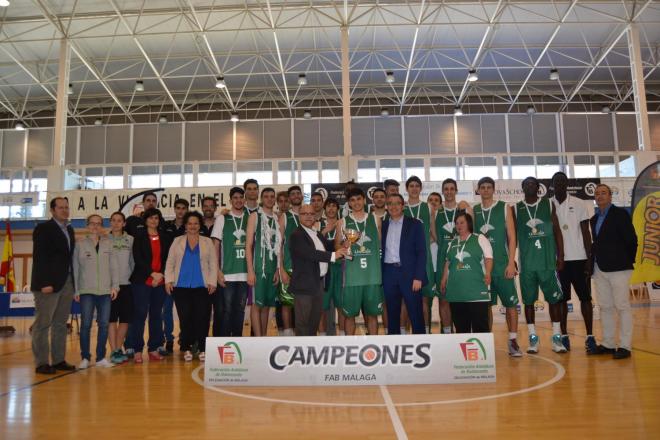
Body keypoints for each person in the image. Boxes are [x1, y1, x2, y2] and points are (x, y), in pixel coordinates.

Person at [514, 177, 566, 354]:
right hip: (527, 265)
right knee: (528, 303)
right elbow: (511, 237)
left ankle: (557, 339)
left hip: (547, 263)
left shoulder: (548, 204)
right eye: (526, 184)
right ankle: (533, 339)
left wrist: (561, 255)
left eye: (533, 184)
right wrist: (510, 258)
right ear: (522, 188)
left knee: (555, 301)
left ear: (538, 188)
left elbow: (557, 230)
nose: (530, 186)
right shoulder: (516, 209)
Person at [473, 177, 522, 357]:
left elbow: (512, 237)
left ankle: (513, 341)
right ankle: (486, 342)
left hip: (503, 266)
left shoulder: (504, 207)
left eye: (488, 187)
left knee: (511, 304)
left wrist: (511, 262)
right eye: (482, 187)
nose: (485, 190)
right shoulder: (475, 210)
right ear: (478, 190)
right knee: (485, 307)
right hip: (484, 269)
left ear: (493, 190)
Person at [590, 184, 638, 359]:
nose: (600, 196)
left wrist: (626, 261)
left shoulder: (620, 215)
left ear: (610, 196)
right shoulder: (594, 219)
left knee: (622, 306)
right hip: (599, 268)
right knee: (605, 307)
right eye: (597, 193)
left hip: (619, 269)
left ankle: (625, 346)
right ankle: (609, 344)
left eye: (603, 193)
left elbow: (632, 241)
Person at [551, 172, 597, 353]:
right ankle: (564, 336)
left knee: (585, 298)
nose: (560, 184)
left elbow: (586, 233)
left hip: (579, 259)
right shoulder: (548, 204)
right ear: (553, 185)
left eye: (563, 181)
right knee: (562, 300)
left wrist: (589, 258)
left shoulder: (579, 203)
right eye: (557, 182)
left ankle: (590, 337)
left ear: (567, 183)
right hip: (559, 262)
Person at [31, 197, 77, 374]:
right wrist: (45, 282)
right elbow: (40, 257)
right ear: (52, 210)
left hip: (66, 283)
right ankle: (41, 362)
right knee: (43, 324)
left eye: (67, 207)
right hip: (48, 284)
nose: (65, 210)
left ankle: (58, 360)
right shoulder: (43, 229)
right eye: (61, 208)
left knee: (60, 324)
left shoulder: (70, 230)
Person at [165, 211, 218, 362]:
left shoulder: (207, 242)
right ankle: (186, 348)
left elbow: (213, 264)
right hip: (181, 287)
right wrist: (168, 281)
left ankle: (202, 348)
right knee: (185, 318)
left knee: (203, 318)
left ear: (199, 225)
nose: (193, 226)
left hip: (203, 286)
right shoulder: (177, 241)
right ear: (185, 225)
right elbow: (170, 263)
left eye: (195, 223)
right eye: (190, 223)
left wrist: (212, 282)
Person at [289, 204, 348, 336]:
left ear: (315, 216)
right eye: (305, 214)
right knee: (303, 323)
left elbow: (328, 245)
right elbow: (310, 254)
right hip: (304, 286)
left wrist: (343, 241)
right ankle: (302, 352)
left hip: (318, 283)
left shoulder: (315, 233)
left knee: (314, 322)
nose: (309, 216)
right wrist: (334, 255)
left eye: (311, 213)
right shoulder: (297, 235)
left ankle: (310, 352)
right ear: (300, 216)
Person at [335, 187, 384, 335]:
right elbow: (337, 246)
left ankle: (374, 346)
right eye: (352, 200)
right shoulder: (342, 222)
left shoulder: (375, 219)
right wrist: (344, 245)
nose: (356, 202)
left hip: (372, 276)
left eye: (358, 199)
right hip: (352, 278)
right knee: (349, 316)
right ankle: (350, 348)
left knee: (372, 315)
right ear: (349, 203)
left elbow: (379, 245)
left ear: (364, 200)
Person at [73, 214, 119, 369]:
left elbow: (114, 267)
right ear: (87, 225)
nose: (95, 226)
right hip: (86, 291)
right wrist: (77, 290)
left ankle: (100, 357)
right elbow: (76, 269)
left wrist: (115, 286)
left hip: (105, 291)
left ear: (102, 226)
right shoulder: (80, 244)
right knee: (85, 325)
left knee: (104, 324)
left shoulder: (108, 244)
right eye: (92, 223)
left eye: (99, 224)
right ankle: (85, 357)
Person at [129, 207, 172, 363]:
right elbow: (138, 258)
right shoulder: (138, 236)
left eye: (156, 218)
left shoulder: (165, 237)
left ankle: (154, 348)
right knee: (139, 315)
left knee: (156, 315)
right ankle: (137, 349)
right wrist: (152, 274)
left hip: (160, 281)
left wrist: (159, 274)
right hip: (142, 281)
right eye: (151, 218)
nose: (154, 220)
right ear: (145, 220)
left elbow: (168, 258)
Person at [382, 193, 427, 334]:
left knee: (416, 314)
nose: (393, 206)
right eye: (390, 203)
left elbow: (421, 252)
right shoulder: (383, 225)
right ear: (386, 207)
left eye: (397, 203)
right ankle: (394, 347)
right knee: (392, 314)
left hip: (410, 274)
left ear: (403, 206)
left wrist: (418, 276)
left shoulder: (414, 224)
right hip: (389, 273)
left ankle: (421, 347)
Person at [440, 213, 493, 333]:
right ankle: (464, 352)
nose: (459, 225)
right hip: (456, 294)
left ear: (469, 223)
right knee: (461, 330)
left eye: (462, 222)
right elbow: (448, 263)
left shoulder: (479, 238)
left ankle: (482, 352)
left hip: (476, 293)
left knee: (481, 328)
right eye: (457, 223)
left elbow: (488, 258)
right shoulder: (452, 242)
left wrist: (488, 273)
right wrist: (443, 279)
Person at [432, 178, 470, 334]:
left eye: (451, 189)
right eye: (446, 189)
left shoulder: (463, 209)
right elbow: (433, 233)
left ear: (456, 191)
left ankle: (462, 333)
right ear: (443, 191)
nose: (449, 191)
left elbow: (470, 231)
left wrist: (467, 206)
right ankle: (447, 333)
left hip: (461, 258)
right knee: (444, 299)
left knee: (461, 299)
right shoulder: (436, 211)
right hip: (442, 258)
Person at [212, 187, 249, 337]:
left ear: (244, 200)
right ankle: (226, 344)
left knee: (240, 310)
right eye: (235, 198)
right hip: (227, 273)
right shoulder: (222, 218)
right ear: (230, 200)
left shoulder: (251, 217)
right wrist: (217, 271)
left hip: (245, 274)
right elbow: (215, 245)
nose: (238, 200)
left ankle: (238, 342)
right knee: (226, 310)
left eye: (241, 197)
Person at [246, 188, 281, 336]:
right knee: (256, 305)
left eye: (272, 197)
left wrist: (278, 269)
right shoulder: (255, 216)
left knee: (267, 305)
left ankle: (264, 338)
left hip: (272, 268)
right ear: (262, 198)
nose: (269, 199)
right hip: (259, 267)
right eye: (266, 196)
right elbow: (248, 245)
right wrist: (250, 270)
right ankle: (258, 339)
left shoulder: (277, 219)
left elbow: (280, 246)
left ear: (275, 200)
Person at [404, 176, 435, 334]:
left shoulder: (428, 207)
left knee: (424, 299)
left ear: (421, 188)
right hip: (406, 260)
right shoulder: (401, 207)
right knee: (407, 300)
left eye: (417, 186)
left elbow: (433, 232)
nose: (414, 188)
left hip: (424, 259)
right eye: (411, 186)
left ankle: (425, 333)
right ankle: (407, 335)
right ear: (407, 188)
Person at [161, 198, 189, 355]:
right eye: (178, 208)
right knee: (167, 309)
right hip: (170, 275)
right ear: (174, 209)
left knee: (185, 311)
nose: (180, 211)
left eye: (183, 208)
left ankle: (184, 338)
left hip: (186, 276)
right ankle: (169, 339)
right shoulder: (166, 227)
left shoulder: (191, 227)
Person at [107, 211, 134, 364]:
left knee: (124, 320)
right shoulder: (104, 239)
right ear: (110, 222)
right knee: (111, 319)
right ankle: (113, 351)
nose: (116, 223)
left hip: (126, 285)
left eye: (119, 221)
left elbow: (133, 262)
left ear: (124, 223)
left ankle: (118, 348)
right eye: (113, 220)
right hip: (109, 286)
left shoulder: (130, 240)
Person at [278, 185, 303, 336]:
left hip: (306, 269)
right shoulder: (285, 217)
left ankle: (301, 335)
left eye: (297, 193)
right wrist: (281, 268)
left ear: (301, 196)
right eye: (292, 194)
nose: (295, 196)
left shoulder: (308, 214)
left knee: (303, 304)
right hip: (289, 266)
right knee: (287, 304)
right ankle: (287, 335)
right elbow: (278, 245)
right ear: (289, 198)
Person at [319, 198, 343, 336]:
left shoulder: (344, 223)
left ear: (337, 209)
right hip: (324, 269)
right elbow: (313, 245)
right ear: (324, 208)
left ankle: (343, 336)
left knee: (341, 306)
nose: (331, 209)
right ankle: (322, 337)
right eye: (328, 206)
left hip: (340, 268)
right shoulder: (318, 224)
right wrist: (324, 232)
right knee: (322, 306)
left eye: (334, 206)